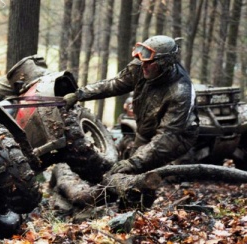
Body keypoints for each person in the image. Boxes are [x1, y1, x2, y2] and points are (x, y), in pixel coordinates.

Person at [64, 35, 198, 174]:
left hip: (177, 138)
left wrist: (136, 161)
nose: (143, 65)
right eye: (141, 61)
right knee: (131, 171)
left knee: (142, 171)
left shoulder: (180, 92)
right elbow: (114, 84)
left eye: (149, 63)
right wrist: (80, 94)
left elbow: (168, 136)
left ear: (164, 63)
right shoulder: (140, 66)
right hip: (147, 129)